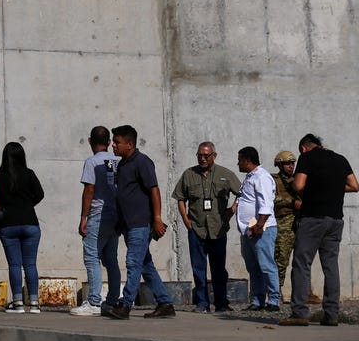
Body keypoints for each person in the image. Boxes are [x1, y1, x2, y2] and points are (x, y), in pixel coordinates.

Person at [280, 134, 359, 327]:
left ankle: (299, 313)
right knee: (331, 266)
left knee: (302, 264)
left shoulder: (307, 158)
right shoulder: (341, 159)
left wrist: (299, 185)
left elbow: (299, 185)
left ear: (303, 148)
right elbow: (354, 186)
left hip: (313, 218)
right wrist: (330, 187)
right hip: (335, 220)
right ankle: (331, 314)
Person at [106, 124, 176, 320]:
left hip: (140, 223)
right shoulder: (122, 164)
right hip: (128, 224)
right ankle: (165, 303)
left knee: (133, 263)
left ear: (130, 144)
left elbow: (154, 189)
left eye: (117, 142)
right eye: (113, 142)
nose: (114, 146)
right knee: (146, 265)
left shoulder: (143, 162)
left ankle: (125, 305)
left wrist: (157, 218)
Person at [171, 141, 241, 313]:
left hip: (218, 229)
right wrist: (186, 220)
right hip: (197, 229)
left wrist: (231, 211)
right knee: (198, 268)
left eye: (206, 155)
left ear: (214, 156)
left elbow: (242, 193)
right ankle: (202, 303)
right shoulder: (189, 174)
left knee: (219, 268)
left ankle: (221, 303)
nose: (202, 158)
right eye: (199, 155)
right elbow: (180, 198)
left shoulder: (226, 174)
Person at [71, 125, 121, 317]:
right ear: (109, 142)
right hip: (115, 214)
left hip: (98, 213)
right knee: (111, 259)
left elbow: (89, 190)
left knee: (92, 256)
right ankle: (113, 299)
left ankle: (94, 301)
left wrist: (83, 217)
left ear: (90, 141)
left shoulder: (92, 162)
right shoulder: (117, 161)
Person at [0, 142, 46, 313]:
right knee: (30, 264)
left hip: (8, 223)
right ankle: (34, 302)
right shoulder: (29, 174)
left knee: (14, 265)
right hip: (30, 222)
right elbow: (40, 194)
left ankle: (17, 302)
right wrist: (28, 204)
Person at [235, 146, 279, 312]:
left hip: (261, 229)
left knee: (266, 265)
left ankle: (274, 300)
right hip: (248, 230)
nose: (237, 163)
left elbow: (266, 202)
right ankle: (258, 299)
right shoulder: (250, 177)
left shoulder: (261, 177)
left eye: (239, 159)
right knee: (253, 267)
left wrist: (260, 224)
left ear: (247, 160)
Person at [271, 150, 303, 301]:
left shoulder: (299, 179)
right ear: (279, 164)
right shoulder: (273, 180)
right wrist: (291, 202)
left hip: (299, 221)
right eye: (287, 163)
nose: (290, 166)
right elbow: (270, 198)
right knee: (281, 258)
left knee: (302, 259)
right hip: (283, 222)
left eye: (292, 163)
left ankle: (303, 293)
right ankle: (276, 292)